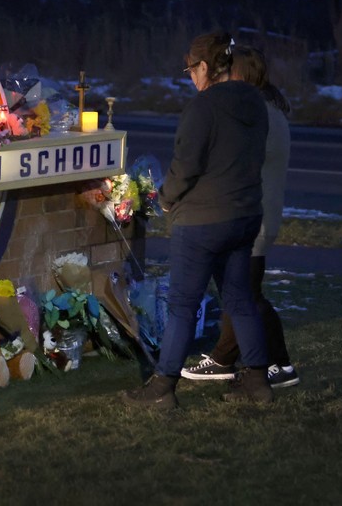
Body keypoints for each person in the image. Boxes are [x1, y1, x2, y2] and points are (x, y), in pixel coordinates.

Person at [122, 31, 271, 410]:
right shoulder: (255, 102)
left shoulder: (202, 108)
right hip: (246, 213)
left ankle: (163, 388)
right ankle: (257, 380)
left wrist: (166, 199)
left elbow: (186, 164)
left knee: (182, 306)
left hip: (203, 220)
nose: (190, 77)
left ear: (205, 67)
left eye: (191, 69)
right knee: (239, 299)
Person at [180, 46, 299, 388]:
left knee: (247, 294)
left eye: (228, 72)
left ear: (241, 75)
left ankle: (277, 362)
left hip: (253, 217)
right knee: (241, 291)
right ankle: (226, 358)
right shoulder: (264, 108)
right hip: (254, 213)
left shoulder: (257, 113)